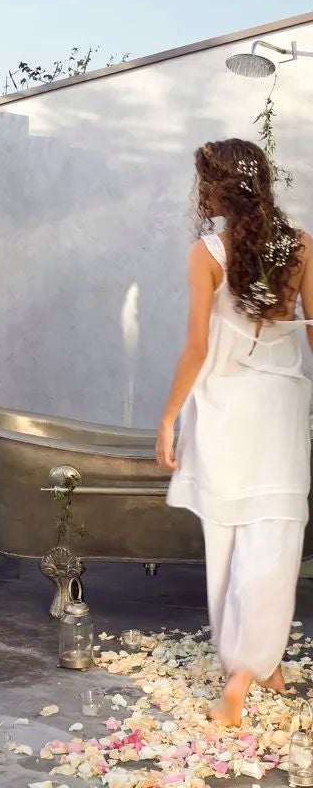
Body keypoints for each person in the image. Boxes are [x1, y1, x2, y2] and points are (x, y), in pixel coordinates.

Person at [156, 138, 313, 727]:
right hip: (280, 407)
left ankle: (240, 677)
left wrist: (168, 416)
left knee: (228, 538)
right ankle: (260, 664)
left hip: (225, 407)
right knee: (274, 536)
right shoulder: (300, 246)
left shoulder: (208, 252)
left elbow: (197, 347)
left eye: (204, 181)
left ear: (219, 188)